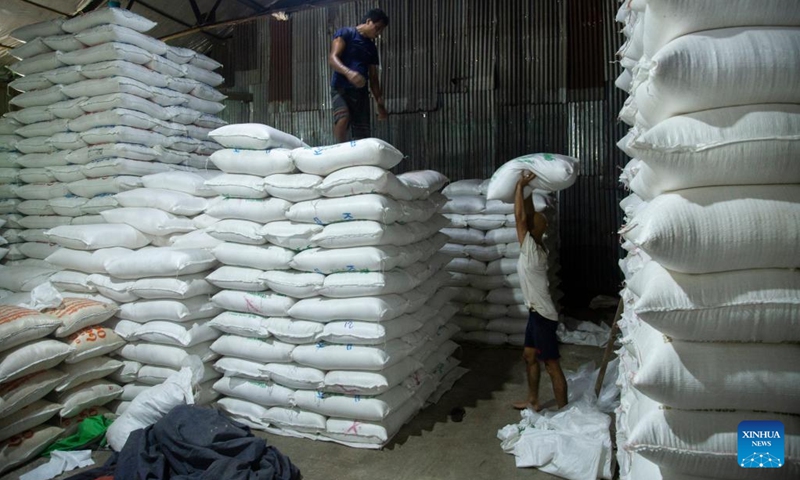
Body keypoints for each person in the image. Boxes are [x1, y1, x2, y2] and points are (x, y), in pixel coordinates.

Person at [512, 171, 568, 411]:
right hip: (536, 313)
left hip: (543, 317)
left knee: (551, 365)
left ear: (532, 230)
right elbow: (527, 215)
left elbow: (519, 217)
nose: (527, 221)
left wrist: (519, 185)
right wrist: (529, 190)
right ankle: (533, 401)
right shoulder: (536, 245)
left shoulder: (531, 250)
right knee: (529, 355)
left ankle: (564, 412)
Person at [328, 8, 389, 143]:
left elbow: (373, 78)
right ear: (368, 21)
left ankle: (359, 160)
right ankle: (339, 149)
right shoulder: (346, 34)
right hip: (340, 88)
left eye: (381, 31)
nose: (378, 33)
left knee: (362, 133)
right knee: (343, 118)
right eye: (377, 28)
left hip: (360, 93)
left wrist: (379, 103)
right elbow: (332, 58)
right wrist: (348, 73)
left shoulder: (371, 48)